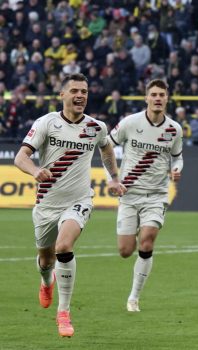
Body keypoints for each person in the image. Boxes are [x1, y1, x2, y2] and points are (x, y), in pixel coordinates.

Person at [14, 73, 126, 337]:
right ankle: (46, 281)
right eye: (74, 90)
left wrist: (114, 178)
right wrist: (35, 171)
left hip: (78, 200)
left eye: (84, 91)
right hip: (46, 204)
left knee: (64, 246)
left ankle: (63, 312)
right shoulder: (47, 123)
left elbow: (107, 149)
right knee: (45, 258)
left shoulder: (96, 126)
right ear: (62, 95)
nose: (80, 96)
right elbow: (21, 157)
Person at [108, 79, 184, 312]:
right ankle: (134, 279)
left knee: (148, 239)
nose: (158, 98)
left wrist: (177, 169)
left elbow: (178, 156)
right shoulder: (130, 123)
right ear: (146, 98)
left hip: (157, 195)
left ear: (167, 99)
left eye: (162, 94)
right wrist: (113, 178)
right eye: (154, 94)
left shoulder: (174, 129)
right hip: (129, 194)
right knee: (125, 251)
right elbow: (107, 146)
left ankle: (134, 297)